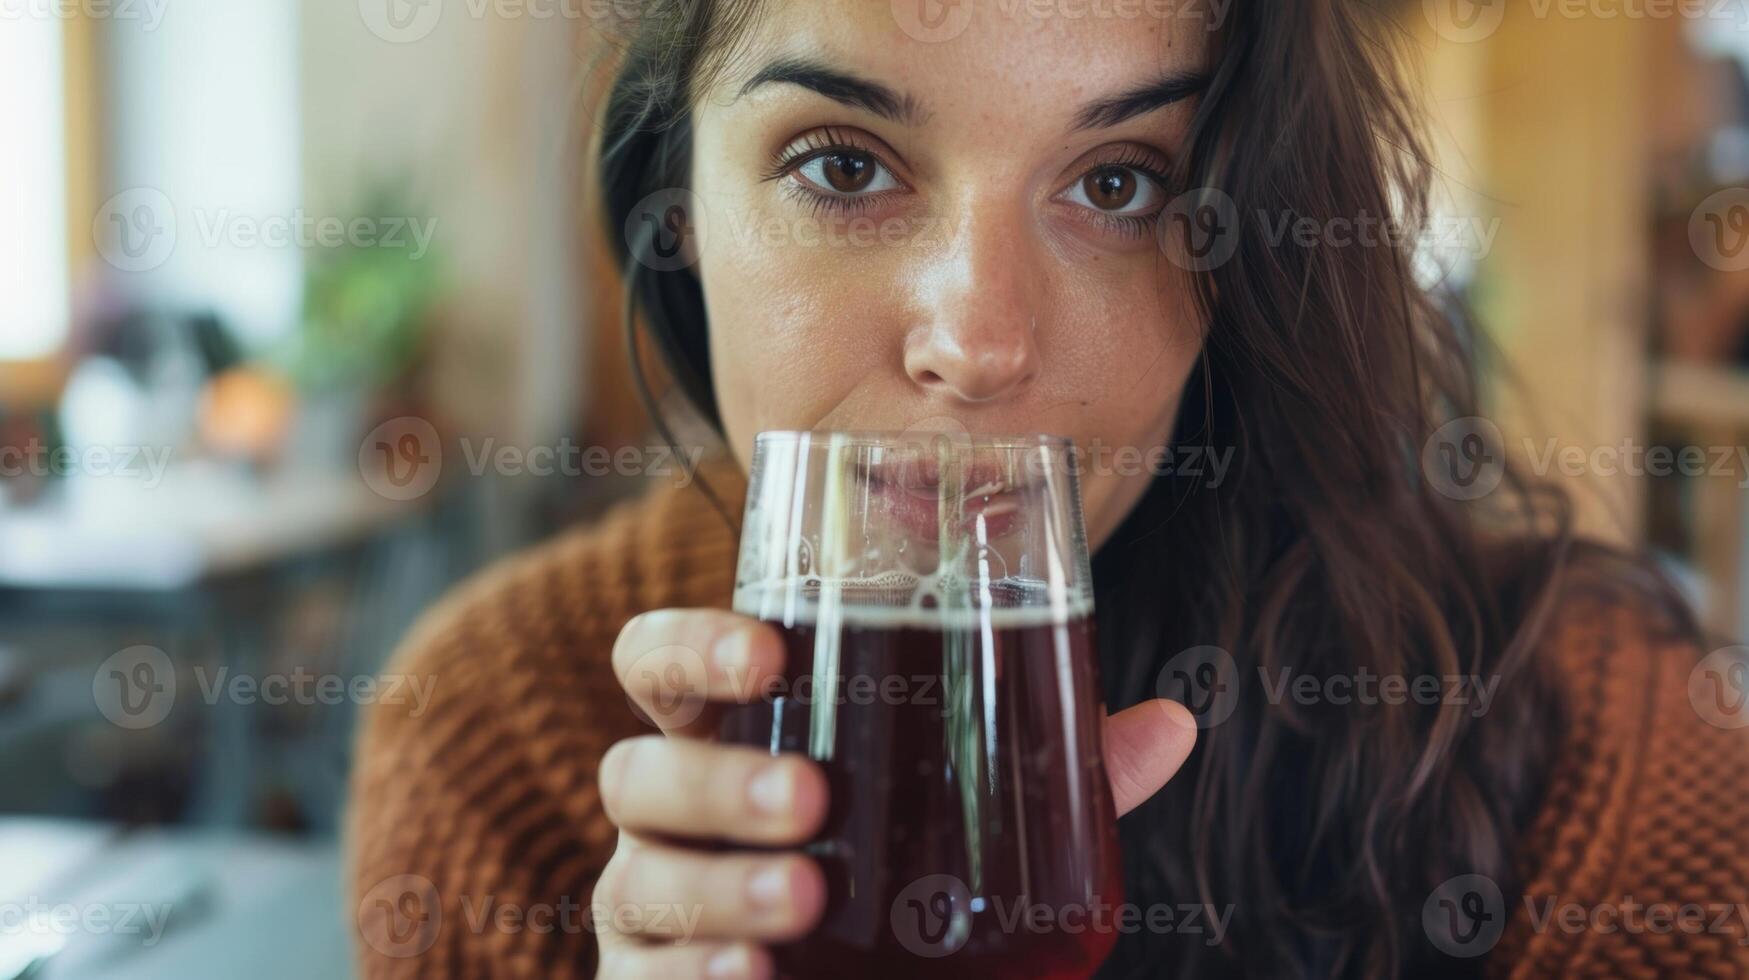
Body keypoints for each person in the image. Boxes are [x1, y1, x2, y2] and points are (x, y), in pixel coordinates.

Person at [348, 1, 1749, 976]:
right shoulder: (500, 743)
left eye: (1121, 185)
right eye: (842, 166)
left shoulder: (1585, 734)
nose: (976, 340)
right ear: (676, 216)